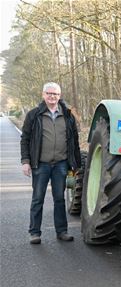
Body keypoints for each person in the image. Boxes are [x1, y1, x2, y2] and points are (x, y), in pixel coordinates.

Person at [20, 82, 81, 244]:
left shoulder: (68, 115)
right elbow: (25, 139)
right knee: (38, 198)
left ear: (59, 96)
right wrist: (25, 161)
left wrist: (76, 164)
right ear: (43, 95)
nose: (52, 96)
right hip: (41, 164)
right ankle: (34, 233)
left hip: (61, 164)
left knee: (59, 199)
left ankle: (62, 231)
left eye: (55, 94)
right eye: (49, 93)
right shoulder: (34, 115)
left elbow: (74, 141)